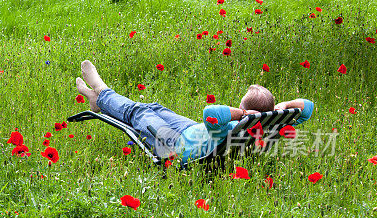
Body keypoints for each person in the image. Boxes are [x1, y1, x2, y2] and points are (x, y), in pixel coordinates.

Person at [75, 60, 314, 162]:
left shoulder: (232, 124)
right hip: (193, 132)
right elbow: (308, 108)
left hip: (177, 145)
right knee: (155, 107)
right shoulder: (273, 124)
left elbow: (210, 113)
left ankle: (101, 90)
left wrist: (241, 115)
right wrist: (282, 108)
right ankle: (98, 101)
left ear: (244, 108)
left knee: (137, 114)